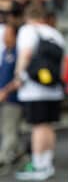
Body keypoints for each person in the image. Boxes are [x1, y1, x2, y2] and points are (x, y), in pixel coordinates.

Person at [13, 4, 65, 181]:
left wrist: (18, 76)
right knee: (49, 126)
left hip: (35, 88)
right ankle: (47, 164)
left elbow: (25, 54)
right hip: (54, 87)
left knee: (38, 126)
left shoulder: (28, 30)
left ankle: (37, 165)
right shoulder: (55, 33)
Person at [0, 22, 25, 169]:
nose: (4, 37)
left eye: (7, 34)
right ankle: (20, 154)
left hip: (13, 99)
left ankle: (3, 158)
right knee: (7, 128)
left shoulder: (18, 53)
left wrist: (5, 91)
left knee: (10, 129)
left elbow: (19, 78)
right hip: (3, 97)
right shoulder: (5, 52)